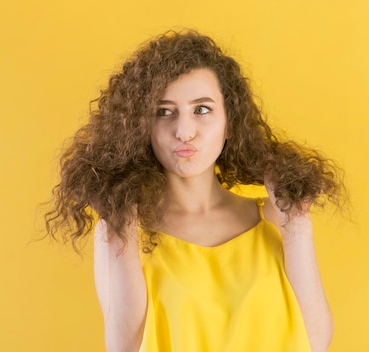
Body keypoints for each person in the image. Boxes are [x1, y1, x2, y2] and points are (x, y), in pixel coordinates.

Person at [44, 30, 345, 352]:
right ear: (141, 128)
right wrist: (121, 230)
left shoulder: (277, 215)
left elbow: (315, 342)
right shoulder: (122, 226)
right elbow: (124, 347)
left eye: (202, 110)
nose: (184, 131)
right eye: (164, 112)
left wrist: (297, 223)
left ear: (231, 122)